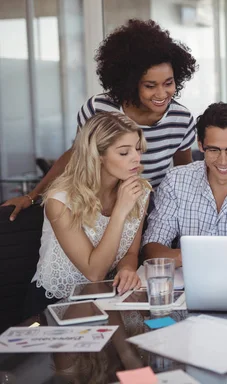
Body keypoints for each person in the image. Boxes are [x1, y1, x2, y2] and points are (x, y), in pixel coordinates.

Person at [3, 19, 197, 220]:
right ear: (130, 83)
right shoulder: (98, 108)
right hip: (100, 208)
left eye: (168, 83)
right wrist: (32, 195)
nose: (161, 93)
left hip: (153, 210)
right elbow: (75, 156)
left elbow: (184, 174)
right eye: (150, 85)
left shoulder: (181, 118)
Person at [25, 112, 151, 317]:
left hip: (106, 298)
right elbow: (94, 273)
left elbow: (130, 253)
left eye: (138, 149)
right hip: (55, 303)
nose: (136, 158)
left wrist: (127, 269)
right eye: (123, 153)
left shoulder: (139, 191)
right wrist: (120, 211)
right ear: (98, 156)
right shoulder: (59, 200)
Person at [142, 102, 227, 267]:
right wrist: (190, 257)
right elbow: (151, 248)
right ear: (200, 145)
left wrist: (191, 257)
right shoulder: (176, 180)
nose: (223, 161)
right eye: (214, 150)